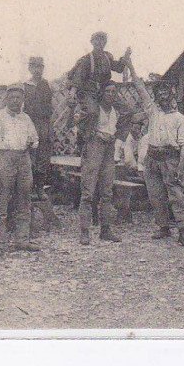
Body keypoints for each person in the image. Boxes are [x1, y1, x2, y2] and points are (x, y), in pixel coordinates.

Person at [127, 58, 184, 246]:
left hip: (171, 159)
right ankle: (163, 227)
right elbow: (139, 87)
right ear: (156, 97)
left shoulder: (180, 119)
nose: (163, 96)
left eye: (166, 93)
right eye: (159, 93)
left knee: (177, 195)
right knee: (155, 195)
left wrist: (180, 166)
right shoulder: (153, 111)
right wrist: (130, 65)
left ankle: (182, 231)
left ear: (172, 97)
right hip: (152, 158)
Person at [0, 83, 40, 255]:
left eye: (19, 98)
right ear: (6, 99)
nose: (15, 101)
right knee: (1, 202)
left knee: (24, 200)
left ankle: (22, 240)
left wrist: (32, 143)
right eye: (12, 97)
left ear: (23, 100)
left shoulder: (26, 119)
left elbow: (35, 139)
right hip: (4, 159)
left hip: (23, 159)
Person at [78, 81, 124, 245]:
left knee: (107, 191)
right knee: (88, 192)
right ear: (102, 93)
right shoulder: (93, 109)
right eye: (108, 91)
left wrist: (113, 137)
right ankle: (84, 231)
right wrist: (97, 134)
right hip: (94, 148)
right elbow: (80, 127)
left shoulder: (115, 111)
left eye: (114, 92)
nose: (111, 94)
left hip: (109, 149)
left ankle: (105, 229)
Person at [67, 31, 130, 149]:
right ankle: (86, 142)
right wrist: (72, 93)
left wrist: (125, 57)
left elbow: (119, 68)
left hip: (105, 91)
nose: (100, 43)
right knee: (92, 112)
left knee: (126, 109)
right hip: (89, 92)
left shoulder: (107, 57)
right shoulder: (86, 60)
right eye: (97, 40)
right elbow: (78, 78)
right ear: (92, 42)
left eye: (102, 40)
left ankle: (117, 141)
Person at [24, 56, 53, 194]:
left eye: (40, 67)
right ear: (30, 68)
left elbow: (49, 106)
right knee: (30, 154)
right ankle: (28, 187)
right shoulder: (25, 86)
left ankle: (39, 186)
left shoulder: (45, 84)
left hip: (44, 123)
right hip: (30, 123)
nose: (38, 70)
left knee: (43, 154)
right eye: (35, 66)